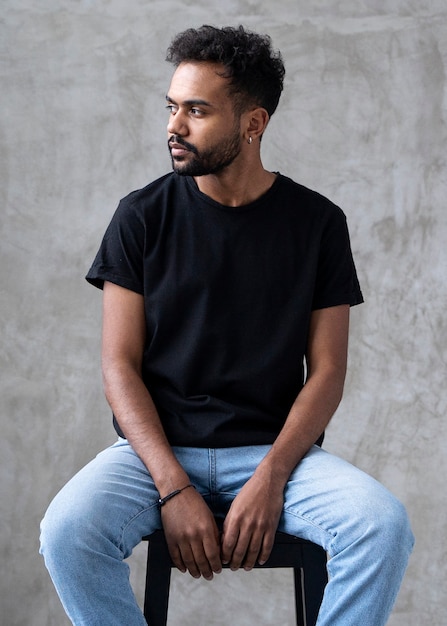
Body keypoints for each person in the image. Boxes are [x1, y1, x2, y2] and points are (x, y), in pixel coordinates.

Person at [40, 24, 414, 625]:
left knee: (382, 526)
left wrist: (271, 476)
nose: (174, 126)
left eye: (197, 110)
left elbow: (328, 372)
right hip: (152, 454)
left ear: (253, 123)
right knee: (66, 531)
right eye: (172, 107)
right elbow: (118, 366)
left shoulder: (317, 223)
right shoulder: (140, 217)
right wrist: (173, 486)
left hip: (276, 453)